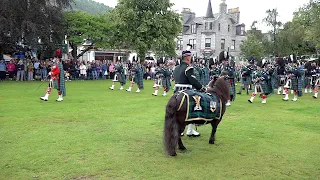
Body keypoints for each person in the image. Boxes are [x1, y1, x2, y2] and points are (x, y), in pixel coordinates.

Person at [173, 44, 206, 137]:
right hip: (186, 91)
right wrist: (202, 88)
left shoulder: (176, 68)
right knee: (194, 108)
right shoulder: (189, 68)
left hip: (176, 91)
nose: (191, 59)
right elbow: (193, 80)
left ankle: (180, 129)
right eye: (190, 57)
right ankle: (189, 130)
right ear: (187, 58)